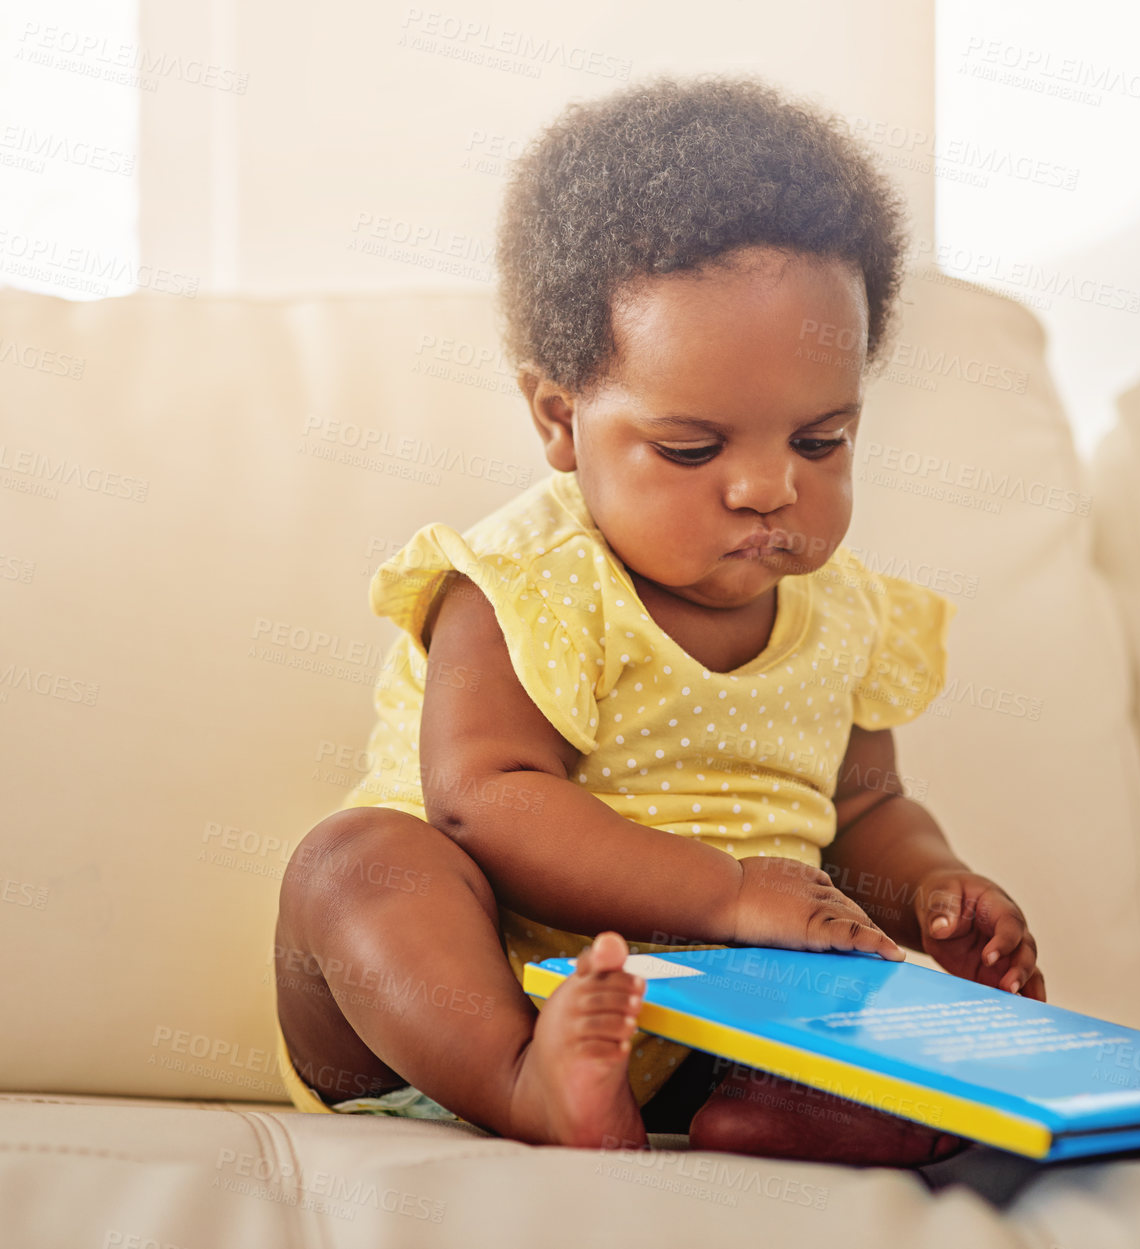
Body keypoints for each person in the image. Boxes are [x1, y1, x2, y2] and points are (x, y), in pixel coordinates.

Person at [274, 72, 1044, 1167]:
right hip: (456, 1005)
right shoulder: (524, 582)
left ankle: (773, 1113)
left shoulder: (849, 612)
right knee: (355, 863)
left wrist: (933, 888)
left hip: (717, 1031)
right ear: (560, 418)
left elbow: (867, 807)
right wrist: (730, 892)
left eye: (820, 442)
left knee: (936, 1066)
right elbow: (484, 803)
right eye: (693, 449)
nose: (768, 489)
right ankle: (522, 1080)